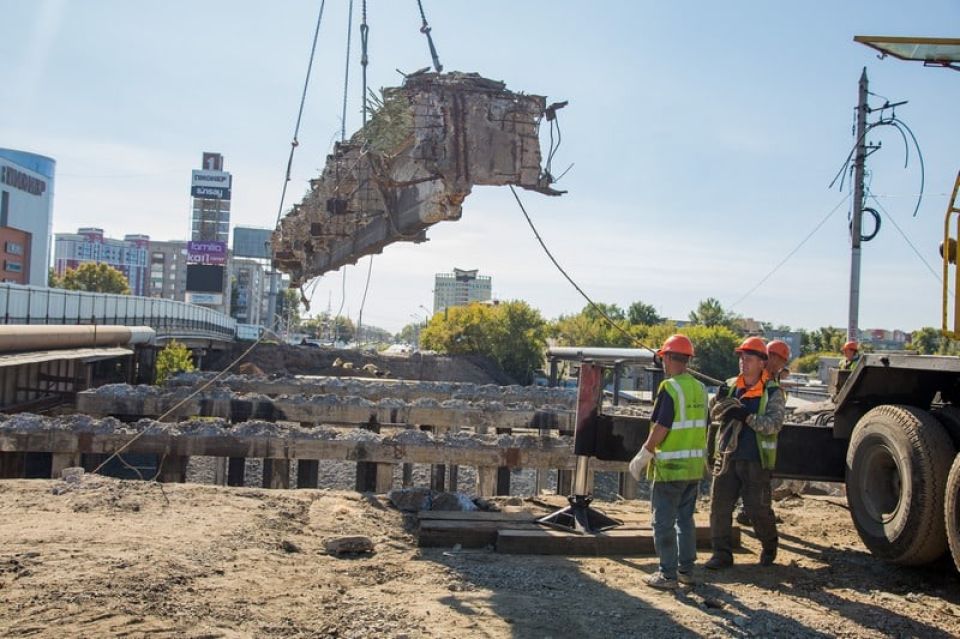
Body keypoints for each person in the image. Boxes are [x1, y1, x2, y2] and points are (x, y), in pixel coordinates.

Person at [629, 334, 708, 589]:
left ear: (667, 359)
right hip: (693, 469)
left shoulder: (670, 388)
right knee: (685, 520)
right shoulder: (700, 389)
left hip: (670, 470)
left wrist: (645, 453)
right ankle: (686, 571)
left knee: (663, 522)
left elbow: (662, 426)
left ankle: (667, 574)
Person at [706, 336, 786, 569]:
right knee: (719, 505)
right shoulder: (731, 385)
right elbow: (714, 415)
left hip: (755, 460)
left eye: (749, 358)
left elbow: (774, 425)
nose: (743, 362)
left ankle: (769, 546)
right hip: (728, 457)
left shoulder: (772, 392)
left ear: (762, 362)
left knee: (757, 509)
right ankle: (721, 554)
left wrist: (746, 417)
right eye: (742, 358)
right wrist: (717, 402)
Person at [736, 338, 791, 527]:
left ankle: (751, 511)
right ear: (772, 357)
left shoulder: (769, 378)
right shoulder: (763, 378)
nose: (781, 365)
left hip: (760, 441)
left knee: (757, 483)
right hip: (756, 442)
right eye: (781, 360)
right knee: (757, 484)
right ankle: (754, 513)